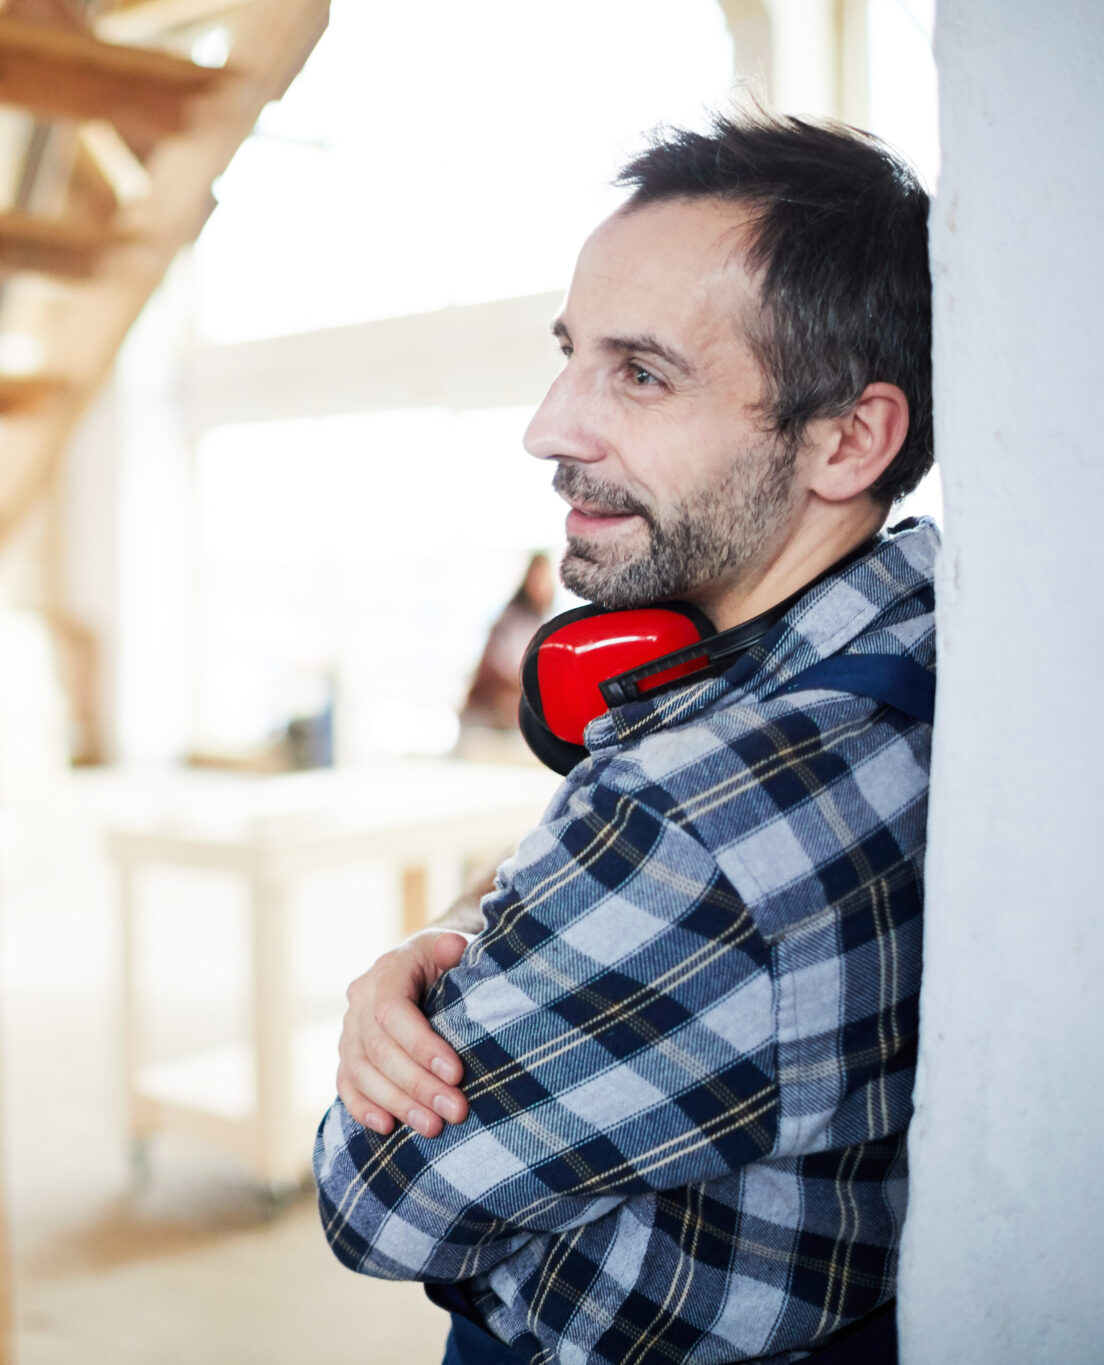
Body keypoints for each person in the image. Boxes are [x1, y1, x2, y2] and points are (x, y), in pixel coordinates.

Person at [316, 112, 935, 1365]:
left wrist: (437, 972)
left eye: (639, 374)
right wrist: (473, 937)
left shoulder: (687, 819)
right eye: (570, 357)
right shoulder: (930, 632)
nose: (548, 429)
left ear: (846, 440)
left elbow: (377, 1203)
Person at [458, 552, 557, 738]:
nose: (541, 586)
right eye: (538, 579)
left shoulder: (540, 623)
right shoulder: (510, 623)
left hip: (508, 722)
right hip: (486, 723)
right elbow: (510, 673)